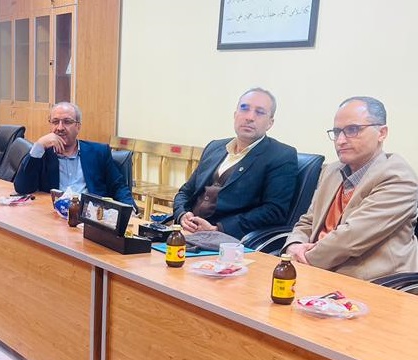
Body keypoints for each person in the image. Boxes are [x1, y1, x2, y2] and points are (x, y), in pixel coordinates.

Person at [284, 97, 418, 281]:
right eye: (337, 132)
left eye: (352, 130)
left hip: (372, 282)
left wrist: (302, 259)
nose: (340, 140)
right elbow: (308, 221)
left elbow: (350, 239)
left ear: (382, 133)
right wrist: (294, 245)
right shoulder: (332, 170)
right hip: (316, 271)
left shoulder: (398, 177)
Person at [172, 88, 297, 239]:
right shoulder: (214, 147)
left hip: (227, 239)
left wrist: (218, 228)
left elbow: (274, 211)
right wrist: (182, 214)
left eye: (259, 112)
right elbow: (185, 192)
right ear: (235, 114)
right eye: (244, 108)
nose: (250, 117)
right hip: (185, 231)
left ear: (270, 123)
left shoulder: (281, 155)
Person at [13, 102, 134, 206]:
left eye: (67, 122)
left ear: (78, 126)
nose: (60, 128)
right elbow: (22, 188)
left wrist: (130, 210)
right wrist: (38, 146)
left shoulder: (99, 152)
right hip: (54, 214)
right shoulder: (42, 154)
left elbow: (118, 187)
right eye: (55, 122)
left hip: (89, 215)